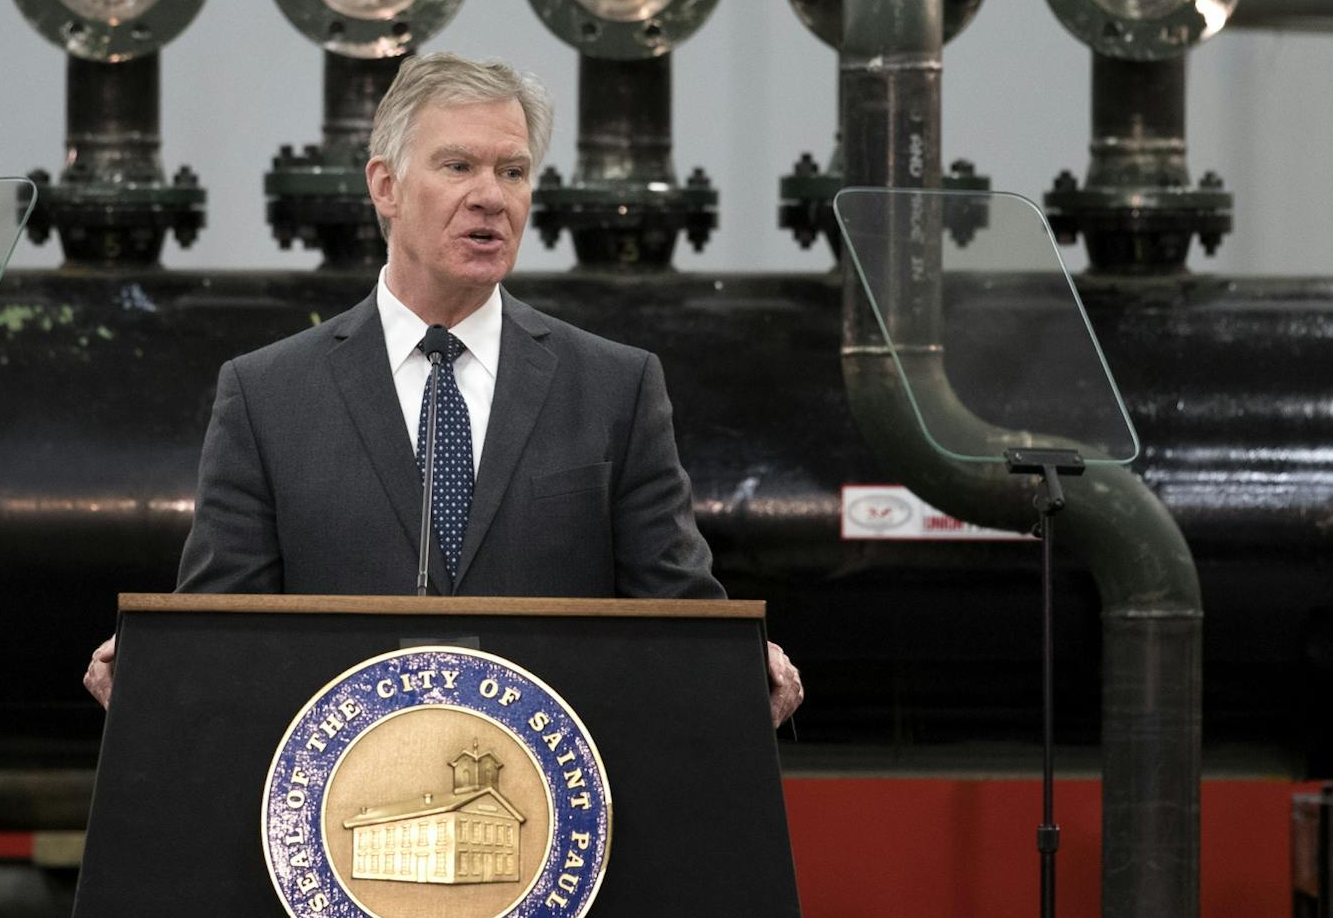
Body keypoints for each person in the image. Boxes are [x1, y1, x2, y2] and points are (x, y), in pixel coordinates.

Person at [84, 52, 803, 724]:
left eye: (514, 172)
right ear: (385, 186)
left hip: (556, 819)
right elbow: (220, 630)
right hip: (346, 821)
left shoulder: (616, 387)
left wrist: (738, 664)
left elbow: (678, 611)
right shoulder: (267, 395)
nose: (491, 197)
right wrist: (160, 671)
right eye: (458, 166)